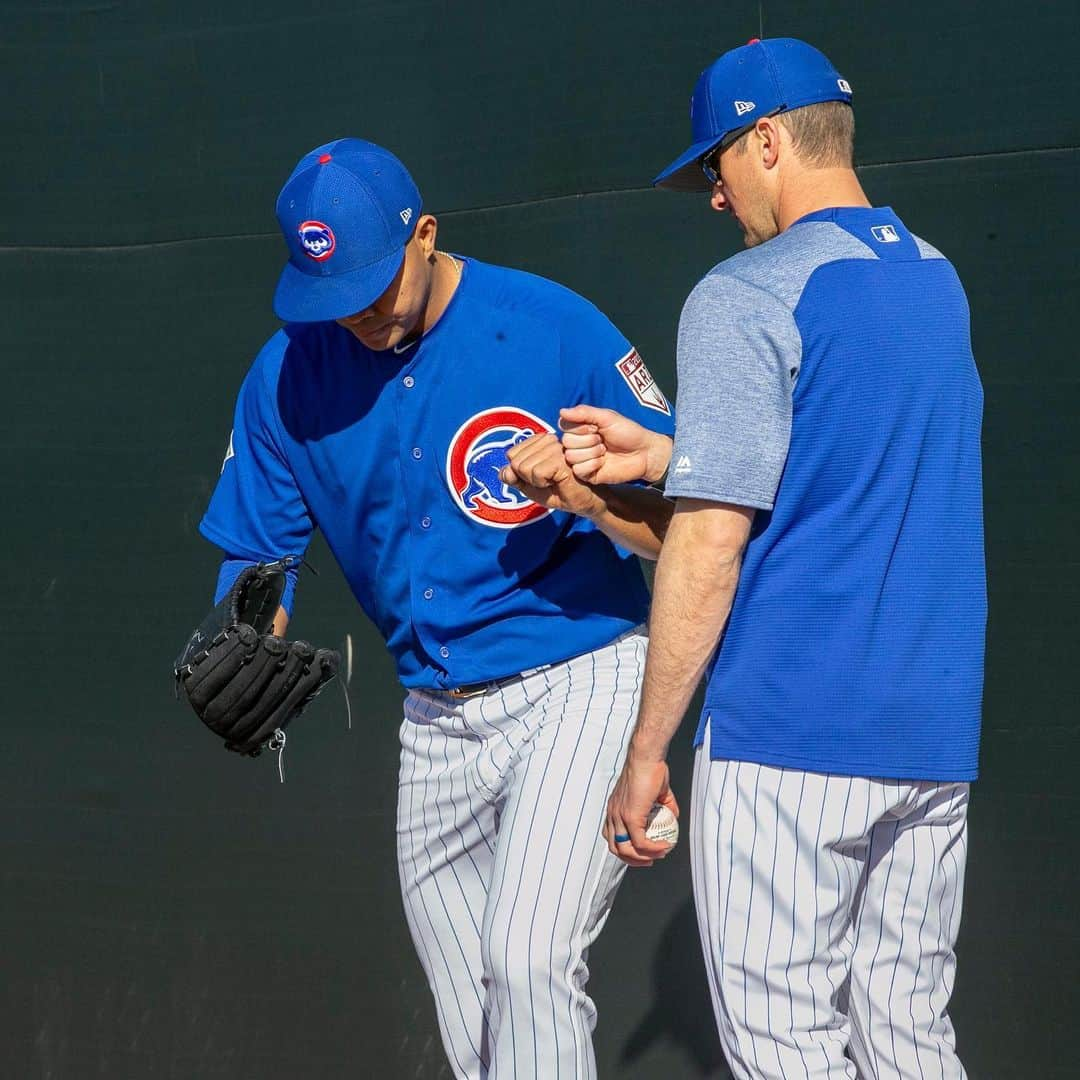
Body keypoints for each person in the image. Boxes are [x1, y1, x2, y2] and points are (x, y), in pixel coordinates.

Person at [196, 137, 676, 1079]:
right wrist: (250, 629)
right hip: (435, 717)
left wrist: (587, 499)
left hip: (579, 676)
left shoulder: (551, 327)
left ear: (425, 236)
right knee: (475, 1023)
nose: (358, 316)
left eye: (374, 286)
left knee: (529, 963)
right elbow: (262, 552)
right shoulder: (288, 374)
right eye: (333, 297)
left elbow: (692, 529)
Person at [570, 37, 986, 1080]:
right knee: (911, 1045)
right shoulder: (936, 279)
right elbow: (847, 458)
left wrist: (643, 751)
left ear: (766, 141)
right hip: (931, 741)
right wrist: (675, 454)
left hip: (792, 737)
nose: (713, 195)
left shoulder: (745, 292)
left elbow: (711, 544)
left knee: (787, 1056)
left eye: (715, 165)